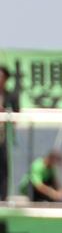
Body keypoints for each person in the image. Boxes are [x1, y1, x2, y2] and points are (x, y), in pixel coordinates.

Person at [0, 66, 18, 200]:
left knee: (4, 167)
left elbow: (17, 115)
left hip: (4, 135)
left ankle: (4, 197)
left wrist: (5, 112)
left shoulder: (11, 96)